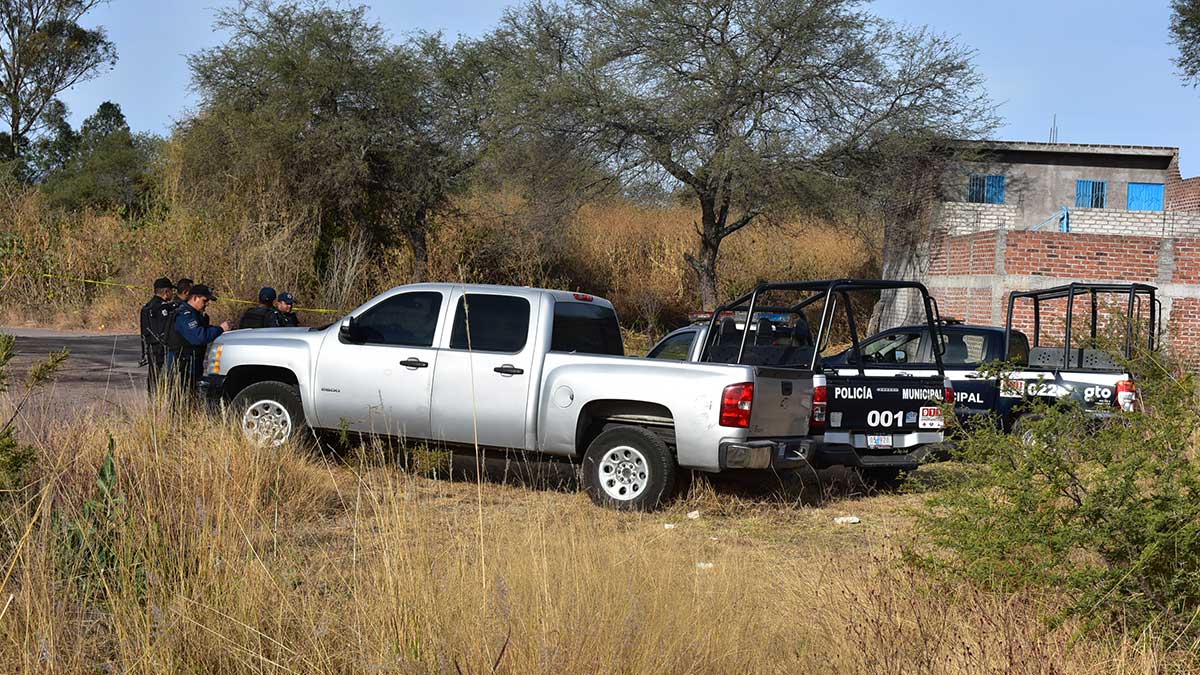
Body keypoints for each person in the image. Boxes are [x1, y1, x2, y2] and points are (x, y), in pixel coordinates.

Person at [165, 284, 231, 393]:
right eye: (204, 301)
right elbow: (198, 337)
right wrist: (220, 329)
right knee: (180, 400)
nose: (207, 304)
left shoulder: (195, 314)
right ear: (195, 298)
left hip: (192, 365)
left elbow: (203, 330)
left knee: (191, 397)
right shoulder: (185, 315)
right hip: (181, 367)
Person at [139, 277, 175, 394]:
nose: (172, 294)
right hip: (161, 348)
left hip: (150, 347)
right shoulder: (163, 307)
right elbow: (166, 329)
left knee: (153, 375)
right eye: (171, 291)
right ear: (166, 292)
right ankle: (160, 401)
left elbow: (144, 332)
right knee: (164, 376)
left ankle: (153, 401)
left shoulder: (146, 307)